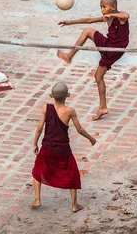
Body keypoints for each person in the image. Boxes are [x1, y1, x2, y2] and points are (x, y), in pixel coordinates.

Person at [57, 0, 130, 120]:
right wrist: (69, 22)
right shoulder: (107, 17)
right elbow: (89, 20)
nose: (102, 10)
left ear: (113, 7)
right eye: (101, 7)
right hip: (111, 48)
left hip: (113, 48)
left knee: (88, 31)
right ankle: (103, 107)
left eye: (104, 7)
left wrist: (112, 15)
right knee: (98, 76)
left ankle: (69, 56)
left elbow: (125, 15)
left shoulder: (119, 17)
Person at [31, 82, 97, 212]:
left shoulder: (46, 108)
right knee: (72, 175)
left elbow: (39, 128)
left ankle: (37, 199)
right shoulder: (70, 111)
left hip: (47, 147)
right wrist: (91, 138)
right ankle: (74, 205)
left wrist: (35, 144)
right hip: (63, 150)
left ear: (51, 95)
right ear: (68, 95)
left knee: (37, 172)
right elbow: (79, 129)